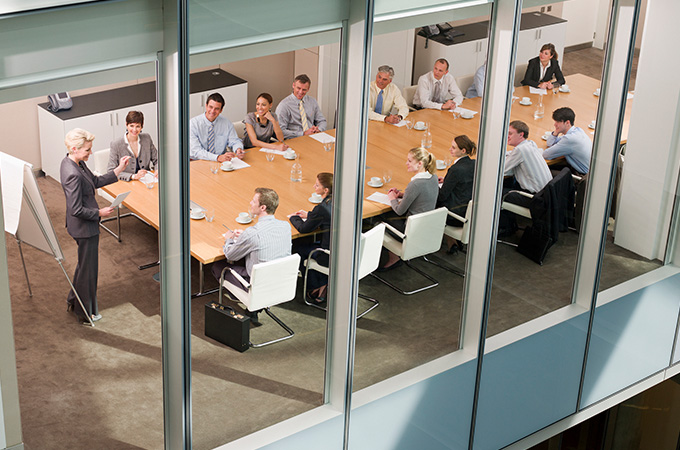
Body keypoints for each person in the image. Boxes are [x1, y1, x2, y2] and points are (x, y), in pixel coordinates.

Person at [60, 128, 130, 324]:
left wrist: (118, 170)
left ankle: (73, 300)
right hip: (85, 227)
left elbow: (96, 181)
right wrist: (99, 213)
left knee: (84, 266)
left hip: (82, 226)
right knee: (89, 270)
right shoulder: (72, 173)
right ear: (74, 148)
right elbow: (75, 209)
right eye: (87, 150)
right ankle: (85, 313)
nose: (90, 153)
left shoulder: (74, 162)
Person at [211, 188, 291, 325]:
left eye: (254, 201)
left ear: (263, 207)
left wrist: (229, 239)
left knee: (218, 267)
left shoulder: (253, 233)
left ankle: (251, 303)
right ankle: (254, 308)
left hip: (257, 286)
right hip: (281, 283)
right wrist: (245, 238)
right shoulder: (285, 226)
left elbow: (230, 254)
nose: (250, 202)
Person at [380, 147, 439, 269]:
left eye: (409, 161)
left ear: (420, 164)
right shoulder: (433, 177)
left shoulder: (415, 184)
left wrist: (392, 198)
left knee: (380, 219)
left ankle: (394, 258)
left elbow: (399, 210)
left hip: (410, 231)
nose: (406, 163)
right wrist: (403, 195)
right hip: (426, 228)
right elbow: (423, 195)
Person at [500, 121, 553, 235]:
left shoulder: (520, 151)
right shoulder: (530, 144)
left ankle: (506, 228)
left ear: (521, 135)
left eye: (510, 133)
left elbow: (502, 170)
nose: (507, 136)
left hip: (534, 199)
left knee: (497, 193)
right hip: (545, 194)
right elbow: (513, 155)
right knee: (510, 183)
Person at [288, 173, 333, 304]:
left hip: (328, 255)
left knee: (297, 248)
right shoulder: (338, 200)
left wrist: (293, 218)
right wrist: (310, 214)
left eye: (317, 185)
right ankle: (322, 284)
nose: (314, 186)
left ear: (326, 190)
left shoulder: (321, 208)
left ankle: (316, 286)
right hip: (343, 251)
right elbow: (324, 216)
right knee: (311, 244)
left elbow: (303, 229)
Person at [189, 92, 244, 162]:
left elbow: (235, 141)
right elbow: (196, 151)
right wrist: (217, 157)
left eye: (217, 109)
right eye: (210, 107)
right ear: (206, 106)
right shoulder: (193, 124)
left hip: (221, 162)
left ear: (221, 110)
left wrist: (238, 149)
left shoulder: (226, 123)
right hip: (198, 161)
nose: (212, 111)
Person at [437, 135, 476, 227]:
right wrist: (447, 181)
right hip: (467, 211)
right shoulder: (474, 163)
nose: (450, 149)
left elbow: (442, 196)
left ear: (463, 151)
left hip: (453, 215)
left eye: (453, 148)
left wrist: (432, 184)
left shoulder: (455, 169)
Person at [107, 110, 158, 181]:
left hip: (147, 181)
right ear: (126, 125)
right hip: (127, 183)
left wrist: (158, 169)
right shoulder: (116, 144)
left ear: (141, 127)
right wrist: (133, 176)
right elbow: (111, 171)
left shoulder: (147, 138)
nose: (134, 129)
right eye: (131, 126)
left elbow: (158, 160)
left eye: (138, 126)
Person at [276, 74, 327, 139]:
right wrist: (303, 134)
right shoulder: (284, 105)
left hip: (312, 136)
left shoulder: (312, 101)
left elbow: (322, 121)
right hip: (294, 139)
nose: (300, 92)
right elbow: (280, 131)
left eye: (304, 90)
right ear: (293, 85)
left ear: (308, 89)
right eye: (298, 88)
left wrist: (319, 129)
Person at [543, 107, 592, 175]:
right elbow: (550, 143)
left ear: (567, 122)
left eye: (558, 122)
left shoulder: (570, 139)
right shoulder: (577, 131)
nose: (555, 124)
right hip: (585, 171)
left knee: (544, 171)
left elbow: (546, 155)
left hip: (581, 176)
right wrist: (556, 132)